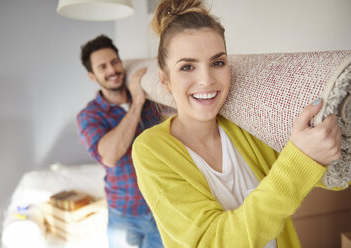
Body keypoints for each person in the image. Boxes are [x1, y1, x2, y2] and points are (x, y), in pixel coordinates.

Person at [131, 1, 347, 247]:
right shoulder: (151, 150)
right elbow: (215, 241)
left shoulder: (246, 126)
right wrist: (301, 160)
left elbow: (325, 175)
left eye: (217, 62)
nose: (206, 80)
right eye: (187, 67)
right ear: (165, 80)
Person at [77, 34, 164, 248]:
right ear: (92, 76)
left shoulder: (150, 101)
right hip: (125, 215)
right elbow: (110, 155)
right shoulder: (89, 116)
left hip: (161, 208)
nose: (112, 70)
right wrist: (136, 105)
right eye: (103, 67)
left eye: (114, 62)